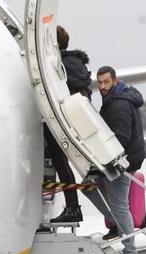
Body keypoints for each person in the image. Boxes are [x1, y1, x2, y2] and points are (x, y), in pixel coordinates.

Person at [81, 66, 146, 254]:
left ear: (115, 81)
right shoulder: (117, 99)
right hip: (119, 159)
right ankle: (119, 226)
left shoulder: (118, 105)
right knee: (88, 187)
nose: (102, 86)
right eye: (99, 83)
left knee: (119, 204)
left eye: (106, 82)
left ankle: (131, 252)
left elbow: (122, 138)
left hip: (120, 161)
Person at [46, 25, 92, 224]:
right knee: (63, 164)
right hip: (78, 122)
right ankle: (72, 207)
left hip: (63, 122)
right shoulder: (77, 64)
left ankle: (73, 208)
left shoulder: (59, 65)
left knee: (60, 163)